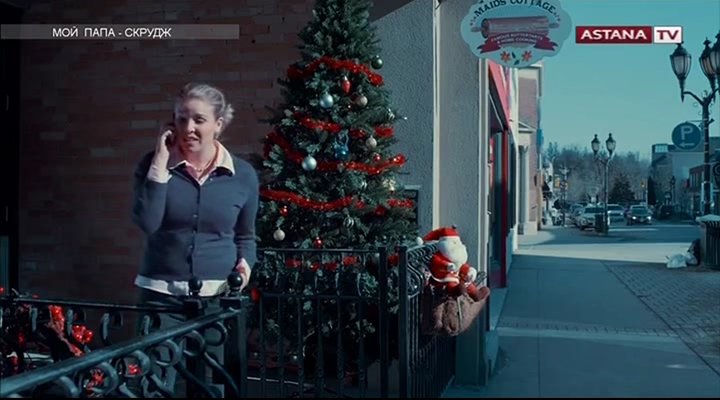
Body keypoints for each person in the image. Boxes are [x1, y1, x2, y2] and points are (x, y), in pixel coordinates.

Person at [131, 82, 258, 394]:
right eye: (181, 118)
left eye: (199, 119)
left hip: (217, 300)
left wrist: (243, 270)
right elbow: (147, 222)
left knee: (209, 386)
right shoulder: (153, 165)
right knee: (154, 385)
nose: (188, 128)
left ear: (219, 124)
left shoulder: (242, 175)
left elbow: (246, 236)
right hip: (161, 297)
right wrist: (160, 162)